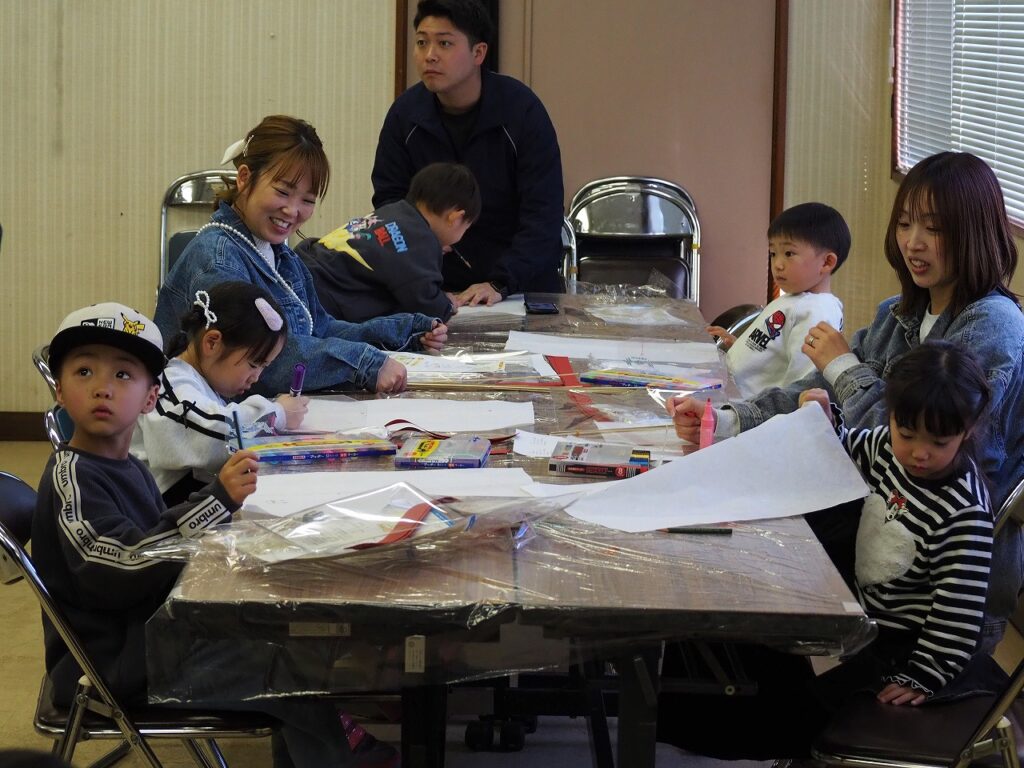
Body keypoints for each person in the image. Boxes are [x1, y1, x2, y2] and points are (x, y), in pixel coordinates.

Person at [668, 152, 1024, 637]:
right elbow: (819, 389)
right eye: (905, 224)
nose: (913, 243)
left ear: (974, 232)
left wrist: (842, 366)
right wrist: (727, 419)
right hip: (867, 526)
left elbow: (916, 451)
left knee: (736, 581)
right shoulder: (899, 313)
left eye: (934, 229)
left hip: (932, 591)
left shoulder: (993, 326)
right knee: (712, 543)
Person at [32, 301, 398, 768]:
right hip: (113, 664)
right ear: (60, 392)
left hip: (152, 635)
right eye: (84, 372)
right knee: (292, 668)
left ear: (150, 398)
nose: (102, 387)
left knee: (290, 637)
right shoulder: (71, 476)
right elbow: (117, 564)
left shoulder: (125, 466)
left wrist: (220, 518)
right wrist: (216, 502)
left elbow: (158, 539)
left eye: (123, 375)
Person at [658, 341, 1002, 759]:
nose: (919, 453)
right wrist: (824, 420)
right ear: (892, 416)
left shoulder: (964, 512)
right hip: (859, 619)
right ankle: (650, 704)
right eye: (907, 433)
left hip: (901, 650)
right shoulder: (886, 449)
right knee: (739, 646)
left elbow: (958, 618)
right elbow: (844, 446)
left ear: (967, 430)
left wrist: (922, 676)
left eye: (939, 442)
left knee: (783, 705)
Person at [156, 114, 448, 396]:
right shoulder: (217, 259)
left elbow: (320, 328)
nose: (292, 211)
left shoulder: (278, 253)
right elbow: (258, 359)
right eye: (283, 192)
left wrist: (405, 332)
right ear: (244, 178)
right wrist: (365, 363)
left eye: (307, 200)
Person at [371, 0, 565, 305]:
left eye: (444, 43)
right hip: (435, 283)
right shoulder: (405, 115)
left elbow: (544, 214)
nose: (429, 55)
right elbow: (389, 203)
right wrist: (420, 261)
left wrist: (500, 282)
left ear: (478, 53)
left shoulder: (521, 111)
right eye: (421, 42)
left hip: (519, 287)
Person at [133, 282, 307, 504]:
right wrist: (278, 414)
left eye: (264, 367)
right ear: (212, 343)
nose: (256, 377)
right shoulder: (170, 386)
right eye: (254, 364)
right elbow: (215, 431)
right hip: (159, 514)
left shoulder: (198, 382)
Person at [299, 162, 481, 322]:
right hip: (322, 302)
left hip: (305, 269)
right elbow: (427, 304)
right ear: (456, 218)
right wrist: (447, 305)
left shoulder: (394, 212)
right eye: (466, 228)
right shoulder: (421, 241)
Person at [708, 202, 848, 398]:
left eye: (789, 253)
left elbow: (802, 383)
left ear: (827, 262)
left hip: (751, 407)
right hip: (734, 393)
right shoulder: (794, 299)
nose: (777, 264)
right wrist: (739, 346)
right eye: (773, 254)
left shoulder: (816, 311)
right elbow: (774, 353)